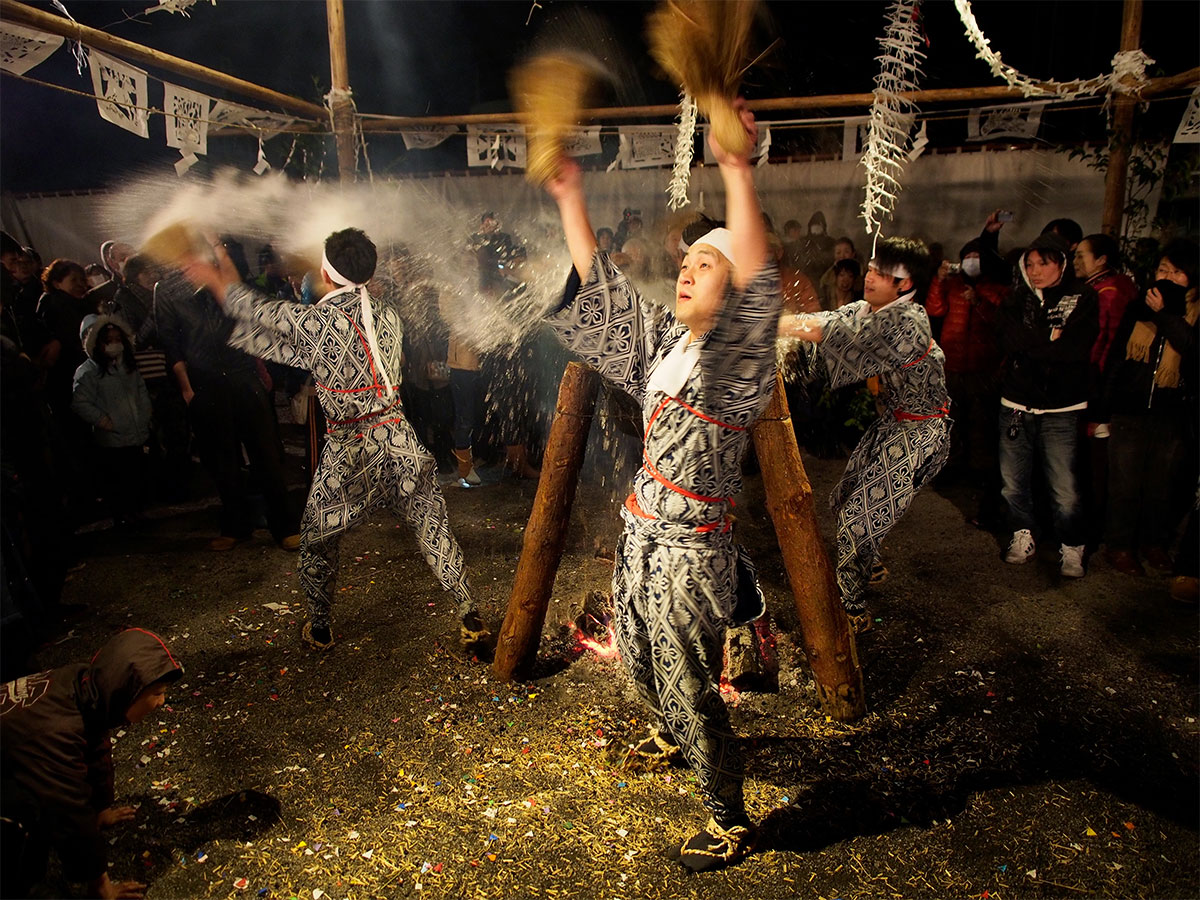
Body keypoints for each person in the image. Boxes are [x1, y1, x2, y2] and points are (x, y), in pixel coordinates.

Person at [543, 103, 776, 872]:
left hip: (690, 553)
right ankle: (672, 734)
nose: (685, 271)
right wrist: (570, 196)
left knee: (687, 678)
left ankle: (729, 817)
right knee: (640, 658)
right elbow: (601, 290)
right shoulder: (671, 340)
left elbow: (757, 278)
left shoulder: (736, 360)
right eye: (685, 263)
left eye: (705, 265)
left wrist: (737, 170)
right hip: (642, 533)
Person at [183, 228, 484, 652]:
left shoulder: (314, 323)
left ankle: (321, 628)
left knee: (317, 538)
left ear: (325, 273)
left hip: (350, 449)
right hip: (399, 440)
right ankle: (470, 612)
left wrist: (214, 262)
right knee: (432, 526)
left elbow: (242, 304)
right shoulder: (387, 314)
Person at [780, 237, 949, 625]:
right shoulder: (870, 308)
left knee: (858, 519)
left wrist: (769, 323)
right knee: (845, 501)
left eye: (881, 274)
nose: (869, 277)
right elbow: (833, 320)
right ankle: (868, 564)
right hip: (894, 423)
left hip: (920, 432)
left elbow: (835, 333)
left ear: (905, 285)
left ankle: (851, 609)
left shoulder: (907, 323)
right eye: (870, 269)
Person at [0, 628, 183, 900]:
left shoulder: (87, 686)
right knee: (23, 860)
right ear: (127, 691)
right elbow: (69, 810)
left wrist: (100, 809)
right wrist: (100, 886)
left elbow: (97, 746)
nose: (161, 701)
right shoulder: (56, 732)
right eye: (157, 692)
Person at [154, 267, 300, 552]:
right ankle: (236, 526)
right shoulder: (168, 290)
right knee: (222, 458)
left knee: (265, 454)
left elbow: (253, 319)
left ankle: (284, 526)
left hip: (242, 375)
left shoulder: (226, 276)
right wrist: (187, 389)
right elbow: (170, 342)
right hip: (204, 382)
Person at [995, 233, 1099, 577]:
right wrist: (1048, 336)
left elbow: (1074, 350)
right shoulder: (1016, 298)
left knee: (1064, 485)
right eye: (1030, 264)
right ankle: (1021, 533)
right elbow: (1008, 340)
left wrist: (1032, 344)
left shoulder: (1083, 297)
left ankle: (1072, 545)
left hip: (1062, 406)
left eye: (1044, 263)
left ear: (1062, 264)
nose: (1035, 270)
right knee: (1013, 481)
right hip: (1016, 401)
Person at [1095, 240, 1198, 576]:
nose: (1166, 277)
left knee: (1161, 486)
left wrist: (1166, 315)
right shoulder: (1138, 307)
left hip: (1173, 413)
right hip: (1131, 408)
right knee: (1124, 484)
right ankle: (1119, 546)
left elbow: (1191, 347)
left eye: (1176, 271)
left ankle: (1153, 543)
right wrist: (1104, 408)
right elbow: (1117, 358)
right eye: (1162, 269)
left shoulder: (1194, 313)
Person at [926, 239, 1008, 510]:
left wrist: (980, 302)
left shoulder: (995, 287)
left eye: (977, 256)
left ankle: (980, 472)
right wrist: (938, 281)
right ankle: (950, 466)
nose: (972, 262)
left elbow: (1001, 321)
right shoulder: (953, 284)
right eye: (967, 256)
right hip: (953, 363)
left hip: (982, 366)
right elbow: (934, 309)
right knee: (951, 420)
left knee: (980, 422)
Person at [71, 316, 152, 525]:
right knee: (117, 479)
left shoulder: (128, 366)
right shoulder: (89, 372)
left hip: (135, 432)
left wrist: (144, 414)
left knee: (136, 475)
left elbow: (141, 391)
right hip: (112, 438)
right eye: (109, 341)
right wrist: (103, 421)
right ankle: (121, 515)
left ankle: (136, 511)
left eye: (118, 339)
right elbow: (80, 402)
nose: (114, 344)